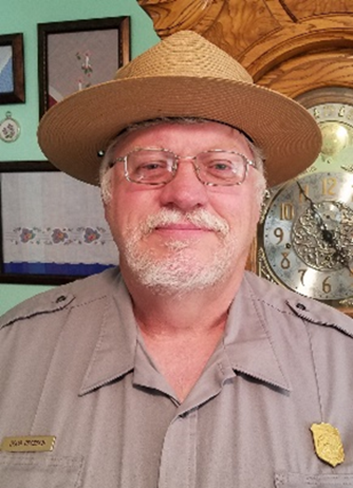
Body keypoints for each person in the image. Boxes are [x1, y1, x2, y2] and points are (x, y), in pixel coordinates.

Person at [0, 30, 352, 488]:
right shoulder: (12, 356)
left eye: (221, 166)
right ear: (108, 198)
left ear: (258, 198)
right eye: (149, 166)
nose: (185, 193)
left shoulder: (343, 363)